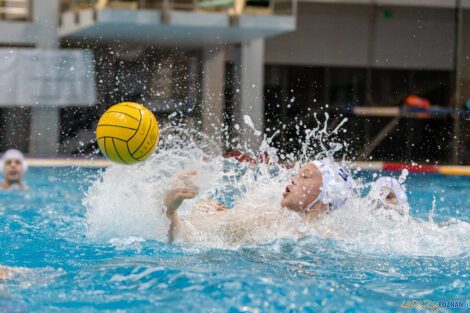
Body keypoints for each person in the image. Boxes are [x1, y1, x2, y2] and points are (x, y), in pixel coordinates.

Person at [163, 161, 355, 244]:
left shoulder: (334, 236)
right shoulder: (262, 218)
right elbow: (186, 237)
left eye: (305, 176)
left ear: (327, 196)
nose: (293, 180)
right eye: (296, 174)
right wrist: (171, 211)